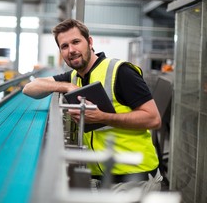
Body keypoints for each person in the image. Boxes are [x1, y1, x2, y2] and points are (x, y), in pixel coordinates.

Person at [22, 19, 163, 195]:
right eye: (64, 46)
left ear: (89, 42)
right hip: (99, 181)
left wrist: (103, 117)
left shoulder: (120, 72)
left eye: (76, 42)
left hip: (134, 180)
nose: (71, 50)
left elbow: (153, 119)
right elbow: (29, 88)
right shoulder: (74, 77)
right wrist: (66, 86)